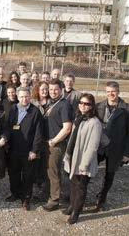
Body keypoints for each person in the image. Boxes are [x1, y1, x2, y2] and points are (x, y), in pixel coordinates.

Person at [95, 81, 129, 211]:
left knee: (109, 175)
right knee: (88, 170)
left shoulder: (128, 109)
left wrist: (128, 153)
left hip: (116, 148)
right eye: (108, 91)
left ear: (118, 91)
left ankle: (101, 199)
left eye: (113, 91)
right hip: (99, 147)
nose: (110, 94)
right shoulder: (99, 107)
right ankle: (81, 194)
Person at [62, 93, 102, 224]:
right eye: (81, 103)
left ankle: (76, 213)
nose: (83, 106)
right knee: (73, 184)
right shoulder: (79, 118)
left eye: (87, 104)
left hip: (84, 161)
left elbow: (93, 146)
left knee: (81, 187)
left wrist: (84, 164)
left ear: (92, 106)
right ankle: (72, 206)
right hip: (74, 158)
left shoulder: (94, 122)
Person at [5, 87, 43, 211]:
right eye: (21, 96)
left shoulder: (35, 111)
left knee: (28, 175)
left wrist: (34, 150)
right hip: (14, 149)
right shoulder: (13, 109)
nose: (24, 99)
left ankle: (26, 198)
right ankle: (15, 193)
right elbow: (8, 127)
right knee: (13, 173)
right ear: (17, 96)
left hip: (28, 150)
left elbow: (38, 133)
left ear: (30, 96)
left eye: (26, 96)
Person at [42, 79, 73, 211]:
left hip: (56, 144)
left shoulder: (64, 105)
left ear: (61, 90)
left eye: (56, 89)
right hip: (47, 142)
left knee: (53, 172)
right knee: (48, 170)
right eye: (51, 89)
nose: (53, 92)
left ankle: (54, 200)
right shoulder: (51, 103)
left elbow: (67, 128)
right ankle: (48, 193)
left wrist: (54, 141)